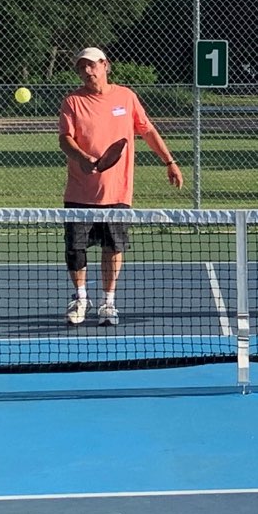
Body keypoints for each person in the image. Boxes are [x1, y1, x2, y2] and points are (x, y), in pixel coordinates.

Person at [58, 47, 184, 325]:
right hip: (80, 192)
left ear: (105, 65)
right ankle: (80, 299)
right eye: (81, 68)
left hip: (117, 192)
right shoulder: (72, 101)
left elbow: (147, 130)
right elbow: (65, 139)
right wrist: (82, 157)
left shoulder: (126, 97)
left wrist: (169, 161)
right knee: (75, 250)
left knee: (113, 249)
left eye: (91, 65)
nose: (87, 72)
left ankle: (108, 304)